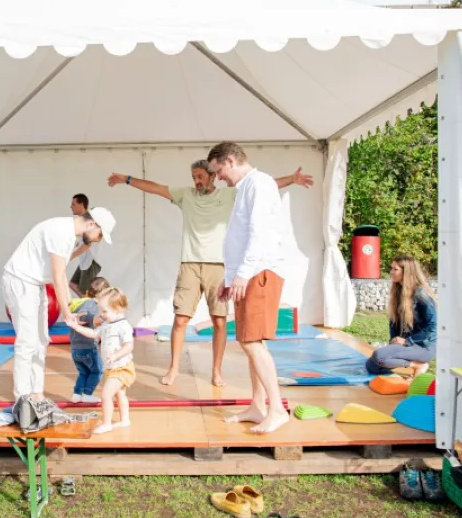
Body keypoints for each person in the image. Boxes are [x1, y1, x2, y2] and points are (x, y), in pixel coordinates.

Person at [108, 161, 312, 387]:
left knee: (220, 321)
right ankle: (174, 368)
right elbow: (154, 187)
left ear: (212, 176)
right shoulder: (185, 195)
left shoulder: (229, 195)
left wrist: (291, 179)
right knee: (180, 320)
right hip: (190, 265)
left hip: (219, 266)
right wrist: (126, 179)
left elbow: (265, 186)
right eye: (193, 176)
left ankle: (216, 371)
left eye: (200, 176)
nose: (196, 180)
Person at [207, 141, 289, 434]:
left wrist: (241, 275)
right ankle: (258, 405)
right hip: (249, 273)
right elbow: (240, 238)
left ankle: (277, 409)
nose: (218, 178)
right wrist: (231, 281)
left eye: (218, 171)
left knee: (253, 341)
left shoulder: (260, 184)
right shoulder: (247, 188)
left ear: (229, 160)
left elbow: (258, 234)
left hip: (260, 272)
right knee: (249, 340)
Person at [3, 207, 116, 401]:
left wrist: (70, 307)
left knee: (41, 340)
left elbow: (60, 265)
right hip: (20, 281)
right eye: (99, 234)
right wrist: (67, 313)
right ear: (91, 224)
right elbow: (58, 275)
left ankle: (37, 393)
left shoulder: (68, 233)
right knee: (27, 342)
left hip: (35, 284)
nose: (98, 239)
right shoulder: (61, 232)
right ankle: (22, 398)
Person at [68, 287, 135, 434]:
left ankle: (107, 423)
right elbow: (93, 333)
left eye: (104, 311)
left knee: (106, 394)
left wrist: (117, 355)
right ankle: (125, 420)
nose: (101, 315)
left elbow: (129, 345)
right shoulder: (106, 325)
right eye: (100, 311)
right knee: (120, 394)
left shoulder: (123, 326)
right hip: (112, 368)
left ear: (118, 310)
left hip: (122, 368)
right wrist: (76, 327)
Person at [365, 255, 437, 377]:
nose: (391, 272)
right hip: (406, 344)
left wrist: (407, 341)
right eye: (391, 268)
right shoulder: (399, 292)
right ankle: (409, 365)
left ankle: (418, 365)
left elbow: (434, 326)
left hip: (423, 347)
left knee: (379, 356)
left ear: (406, 272)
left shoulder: (421, 295)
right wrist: (393, 341)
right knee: (371, 365)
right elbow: (394, 322)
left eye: (395, 269)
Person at [70, 276, 110, 403]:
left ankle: (77, 394)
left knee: (84, 372)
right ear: (103, 293)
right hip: (87, 347)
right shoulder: (92, 305)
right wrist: (96, 319)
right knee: (97, 371)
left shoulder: (81, 302)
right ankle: (87, 394)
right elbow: (84, 316)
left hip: (75, 348)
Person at [69, 194, 102, 297]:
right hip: (84, 262)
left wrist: (70, 257)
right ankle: (91, 304)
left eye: (74, 204)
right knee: (73, 284)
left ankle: (93, 307)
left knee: (86, 293)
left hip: (90, 263)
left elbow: (87, 245)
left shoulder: (89, 221)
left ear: (82, 205)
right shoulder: (81, 221)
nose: (71, 207)